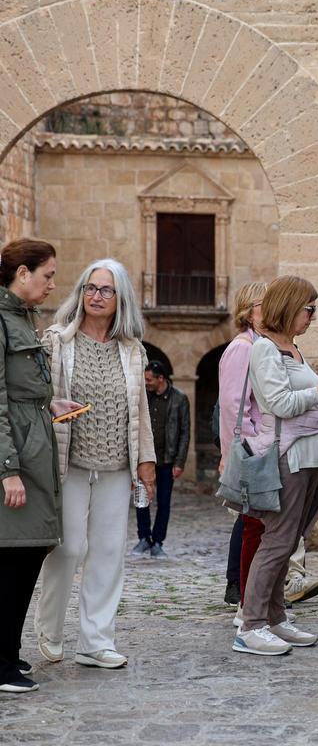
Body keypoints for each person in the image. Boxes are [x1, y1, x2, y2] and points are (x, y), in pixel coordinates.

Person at [37, 259, 158, 671]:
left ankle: (95, 641)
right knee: (68, 548)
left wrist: (146, 462)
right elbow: (38, 398)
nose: (96, 296)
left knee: (108, 553)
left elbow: (140, 412)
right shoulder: (58, 341)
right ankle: (50, 629)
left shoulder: (132, 350)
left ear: (121, 298)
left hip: (115, 467)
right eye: (90, 287)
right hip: (67, 463)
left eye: (106, 290)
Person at [234, 276, 318, 656]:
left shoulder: (292, 348)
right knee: (276, 541)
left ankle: (275, 618)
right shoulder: (265, 349)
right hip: (288, 457)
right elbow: (281, 405)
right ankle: (251, 625)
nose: (313, 316)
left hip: (309, 457)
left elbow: (308, 404)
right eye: (309, 308)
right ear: (290, 306)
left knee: (287, 542)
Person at [0, 239, 79, 693]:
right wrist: (7, 469)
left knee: (27, 552)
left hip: (34, 446)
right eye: (47, 275)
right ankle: (0, 665)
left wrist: (49, 405)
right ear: (23, 273)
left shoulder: (21, 317)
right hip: (17, 457)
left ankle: (7, 653)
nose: (52, 284)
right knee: (14, 557)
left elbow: (23, 389)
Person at [218, 282, 267, 608]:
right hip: (252, 452)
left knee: (259, 525)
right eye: (266, 304)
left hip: (261, 449)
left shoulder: (261, 346)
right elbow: (234, 407)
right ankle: (245, 598)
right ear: (250, 311)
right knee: (253, 525)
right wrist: (248, 451)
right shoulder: (242, 348)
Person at [136, 360, 189, 558]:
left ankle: (158, 541)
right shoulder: (144, 397)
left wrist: (180, 462)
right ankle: (144, 537)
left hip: (167, 460)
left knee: (164, 502)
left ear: (161, 378)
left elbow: (185, 432)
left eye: (149, 379)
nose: (146, 383)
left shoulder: (179, 399)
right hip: (145, 459)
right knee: (142, 499)